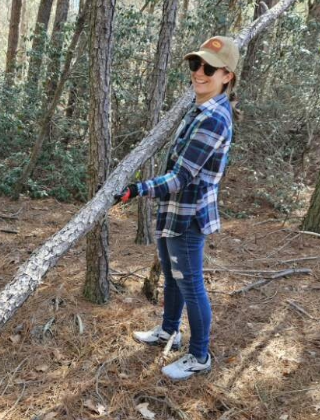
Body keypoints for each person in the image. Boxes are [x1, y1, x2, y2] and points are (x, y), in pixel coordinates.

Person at [118, 36, 238, 381]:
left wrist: (134, 191)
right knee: (172, 278)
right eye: (195, 65)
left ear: (226, 75)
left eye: (209, 68)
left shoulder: (214, 118)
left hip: (189, 218)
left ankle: (199, 355)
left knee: (192, 286)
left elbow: (181, 177)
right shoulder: (199, 107)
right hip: (174, 212)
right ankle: (169, 332)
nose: (199, 73)